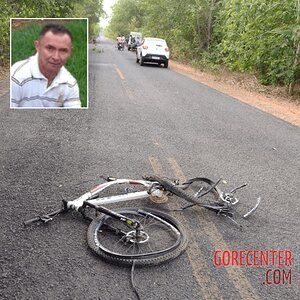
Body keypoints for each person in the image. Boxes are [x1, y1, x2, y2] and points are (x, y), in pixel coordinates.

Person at [11, 23, 81, 108]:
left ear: (70, 52)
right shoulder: (17, 76)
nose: (56, 57)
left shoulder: (70, 84)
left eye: (63, 50)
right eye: (50, 48)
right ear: (37, 46)